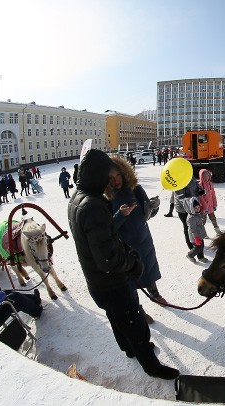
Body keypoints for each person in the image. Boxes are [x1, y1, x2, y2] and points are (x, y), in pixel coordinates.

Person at [67, 149, 179, 380]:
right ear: (100, 176)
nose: (112, 180)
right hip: (111, 279)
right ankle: (151, 366)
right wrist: (132, 263)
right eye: (108, 177)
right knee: (133, 322)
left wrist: (149, 208)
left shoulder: (78, 198)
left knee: (117, 318)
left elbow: (103, 238)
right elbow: (108, 257)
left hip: (98, 279)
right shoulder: (95, 205)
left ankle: (129, 349)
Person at [105, 155, 167, 323]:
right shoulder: (107, 198)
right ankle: (138, 308)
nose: (116, 181)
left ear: (124, 173)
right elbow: (108, 227)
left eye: (118, 176)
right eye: (111, 178)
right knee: (130, 279)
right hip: (125, 245)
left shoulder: (136, 189)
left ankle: (155, 294)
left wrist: (153, 207)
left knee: (149, 267)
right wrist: (120, 215)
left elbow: (146, 214)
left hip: (143, 237)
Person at [174, 176, 205, 260]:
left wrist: (200, 189)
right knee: (188, 226)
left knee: (198, 225)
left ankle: (198, 245)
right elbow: (180, 197)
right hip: (183, 209)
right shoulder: (178, 180)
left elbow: (196, 184)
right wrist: (191, 203)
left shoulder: (190, 175)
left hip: (194, 206)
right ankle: (191, 246)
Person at [184, 197, 208, 263]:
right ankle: (190, 255)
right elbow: (193, 229)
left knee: (201, 246)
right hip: (195, 236)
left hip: (200, 234)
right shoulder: (191, 218)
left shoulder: (197, 214)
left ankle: (201, 257)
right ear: (192, 208)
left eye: (198, 207)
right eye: (195, 208)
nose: (198, 209)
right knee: (198, 248)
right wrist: (196, 238)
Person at [198, 169, 220, 235]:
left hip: (211, 206)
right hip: (204, 208)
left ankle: (217, 230)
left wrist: (215, 204)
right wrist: (204, 207)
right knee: (203, 221)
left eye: (207, 176)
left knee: (213, 219)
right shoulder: (200, 186)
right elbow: (200, 197)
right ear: (201, 177)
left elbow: (213, 194)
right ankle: (202, 233)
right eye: (204, 176)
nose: (206, 177)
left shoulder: (210, 184)